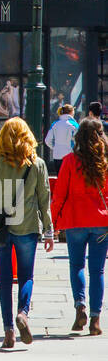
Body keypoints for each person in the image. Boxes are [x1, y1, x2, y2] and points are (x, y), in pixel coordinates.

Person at [0, 118, 53, 350]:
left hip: (0, 227)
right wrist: (49, 230)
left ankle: (8, 331)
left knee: (4, 279)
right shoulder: (37, 163)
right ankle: (23, 313)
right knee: (26, 276)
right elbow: (44, 199)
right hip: (27, 227)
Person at [52, 118, 108, 335]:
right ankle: (96, 318)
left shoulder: (69, 161)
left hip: (75, 221)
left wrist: (55, 222)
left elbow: (59, 195)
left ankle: (80, 306)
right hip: (100, 222)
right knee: (98, 270)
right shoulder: (104, 162)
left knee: (76, 266)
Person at [45, 104, 79, 175]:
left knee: (60, 179)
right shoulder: (75, 125)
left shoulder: (55, 124)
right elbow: (79, 142)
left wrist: (55, 147)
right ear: (71, 112)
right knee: (70, 180)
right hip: (70, 156)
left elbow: (47, 140)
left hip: (57, 156)